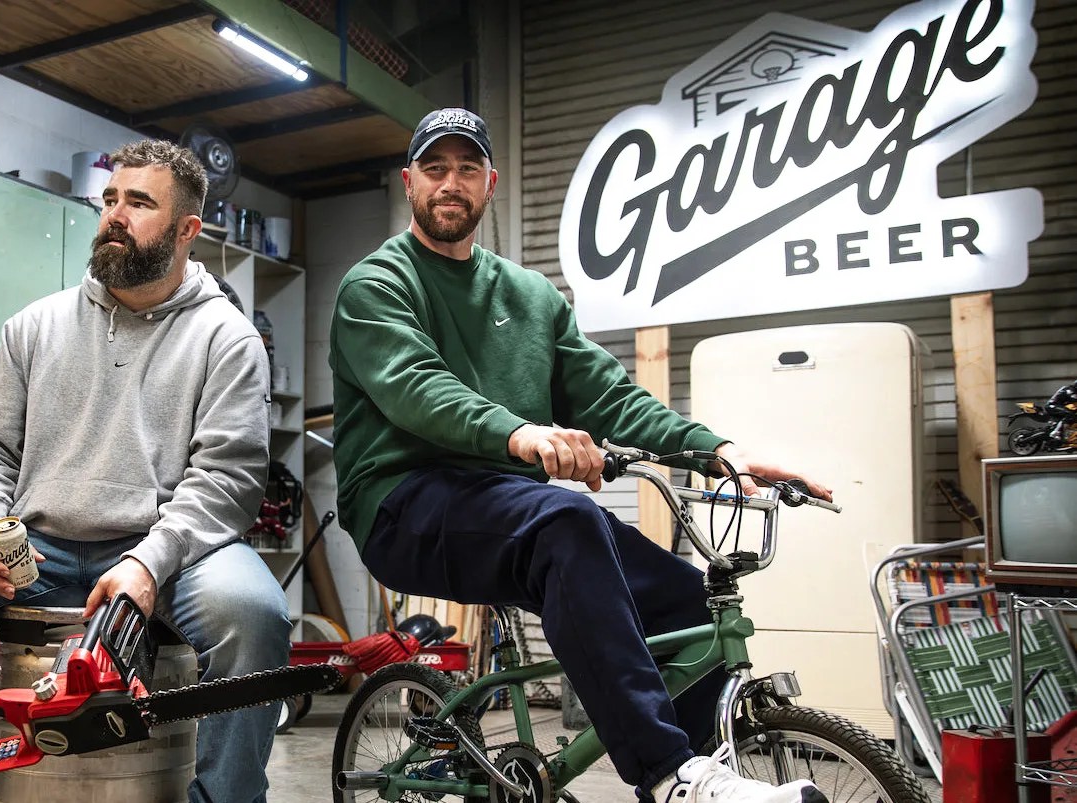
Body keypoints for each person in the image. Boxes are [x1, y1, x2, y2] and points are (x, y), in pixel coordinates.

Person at [329, 108, 834, 803]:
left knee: (683, 597)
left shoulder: (531, 297)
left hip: (504, 506)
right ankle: (667, 775)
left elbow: (608, 396)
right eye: (436, 168)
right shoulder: (377, 284)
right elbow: (419, 388)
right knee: (566, 521)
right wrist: (524, 435)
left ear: (490, 183)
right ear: (409, 180)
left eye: (467, 168)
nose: (452, 182)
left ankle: (714, 776)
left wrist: (716, 448)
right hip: (403, 503)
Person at [0, 139, 290, 803]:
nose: (115, 215)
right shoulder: (35, 327)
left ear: (188, 229)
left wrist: (148, 563)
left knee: (254, 614)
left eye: (139, 202)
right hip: (33, 545)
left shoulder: (227, 338)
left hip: (166, 549)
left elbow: (226, 481)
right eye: (109, 199)